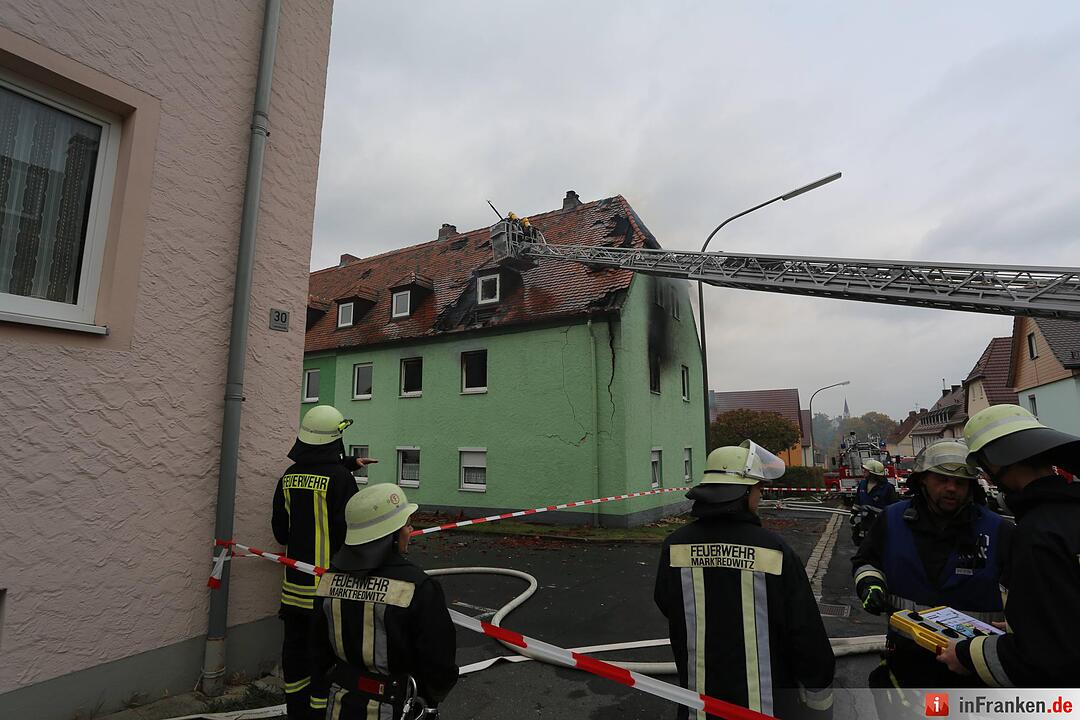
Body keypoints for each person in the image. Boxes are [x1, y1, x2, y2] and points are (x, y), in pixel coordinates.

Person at [655, 440, 835, 719]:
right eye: (759, 488)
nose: (761, 497)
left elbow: (667, 603)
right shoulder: (774, 550)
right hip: (765, 706)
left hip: (697, 708)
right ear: (744, 492)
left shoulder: (674, 546)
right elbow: (805, 632)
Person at [852, 439, 1012, 710]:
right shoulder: (892, 520)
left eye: (960, 483)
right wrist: (870, 584)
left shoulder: (999, 532)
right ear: (923, 480)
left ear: (971, 487)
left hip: (973, 670)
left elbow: (1027, 598)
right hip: (906, 661)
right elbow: (866, 560)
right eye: (942, 479)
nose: (951, 488)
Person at [938, 404, 1080, 687]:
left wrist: (966, 655)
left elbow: (1049, 659)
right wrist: (1024, 624)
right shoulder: (1069, 514)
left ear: (997, 463)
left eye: (983, 467)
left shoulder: (1036, 534)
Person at [310, 483, 458, 718]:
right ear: (389, 535)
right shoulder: (418, 587)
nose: (410, 531)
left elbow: (318, 649)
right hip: (399, 708)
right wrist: (431, 698)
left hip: (339, 706)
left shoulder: (328, 580)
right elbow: (439, 663)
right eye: (406, 525)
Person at [272, 405, 367, 719]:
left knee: (295, 657)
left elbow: (279, 532)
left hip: (293, 593)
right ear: (334, 439)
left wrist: (349, 463)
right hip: (329, 593)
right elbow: (352, 531)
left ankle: (296, 713)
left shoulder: (288, 477)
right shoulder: (340, 478)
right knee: (325, 661)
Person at [850, 459, 899, 544]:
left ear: (873, 473)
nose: (864, 472)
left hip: (881, 525)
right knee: (864, 547)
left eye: (866, 470)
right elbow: (858, 501)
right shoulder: (862, 485)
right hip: (865, 524)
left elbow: (894, 508)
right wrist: (853, 514)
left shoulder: (887, 488)